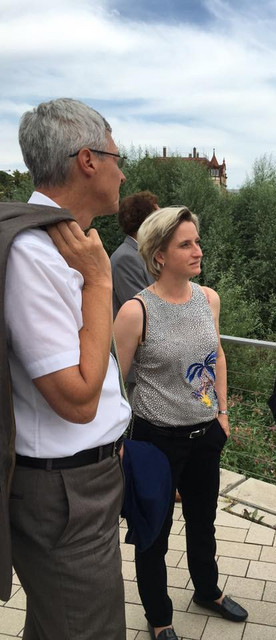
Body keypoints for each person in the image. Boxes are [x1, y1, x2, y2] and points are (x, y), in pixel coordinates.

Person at [3, 98, 131, 639]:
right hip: (63, 492)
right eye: (117, 159)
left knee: (62, 623)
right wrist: (100, 282)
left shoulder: (62, 244)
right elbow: (78, 400)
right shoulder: (34, 253)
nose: (123, 172)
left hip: (81, 482)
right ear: (87, 161)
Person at [114, 206, 248, 640]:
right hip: (155, 441)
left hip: (205, 433)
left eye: (196, 241)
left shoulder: (208, 299)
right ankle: (159, 617)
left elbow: (218, 356)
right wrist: (118, 442)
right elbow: (114, 384)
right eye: (185, 244)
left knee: (203, 521)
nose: (198, 250)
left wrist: (222, 414)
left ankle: (206, 591)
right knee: (153, 532)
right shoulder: (137, 312)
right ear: (158, 256)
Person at [111, 190, 157, 318]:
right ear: (147, 222)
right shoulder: (126, 259)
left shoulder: (144, 256)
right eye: (158, 218)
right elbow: (143, 313)